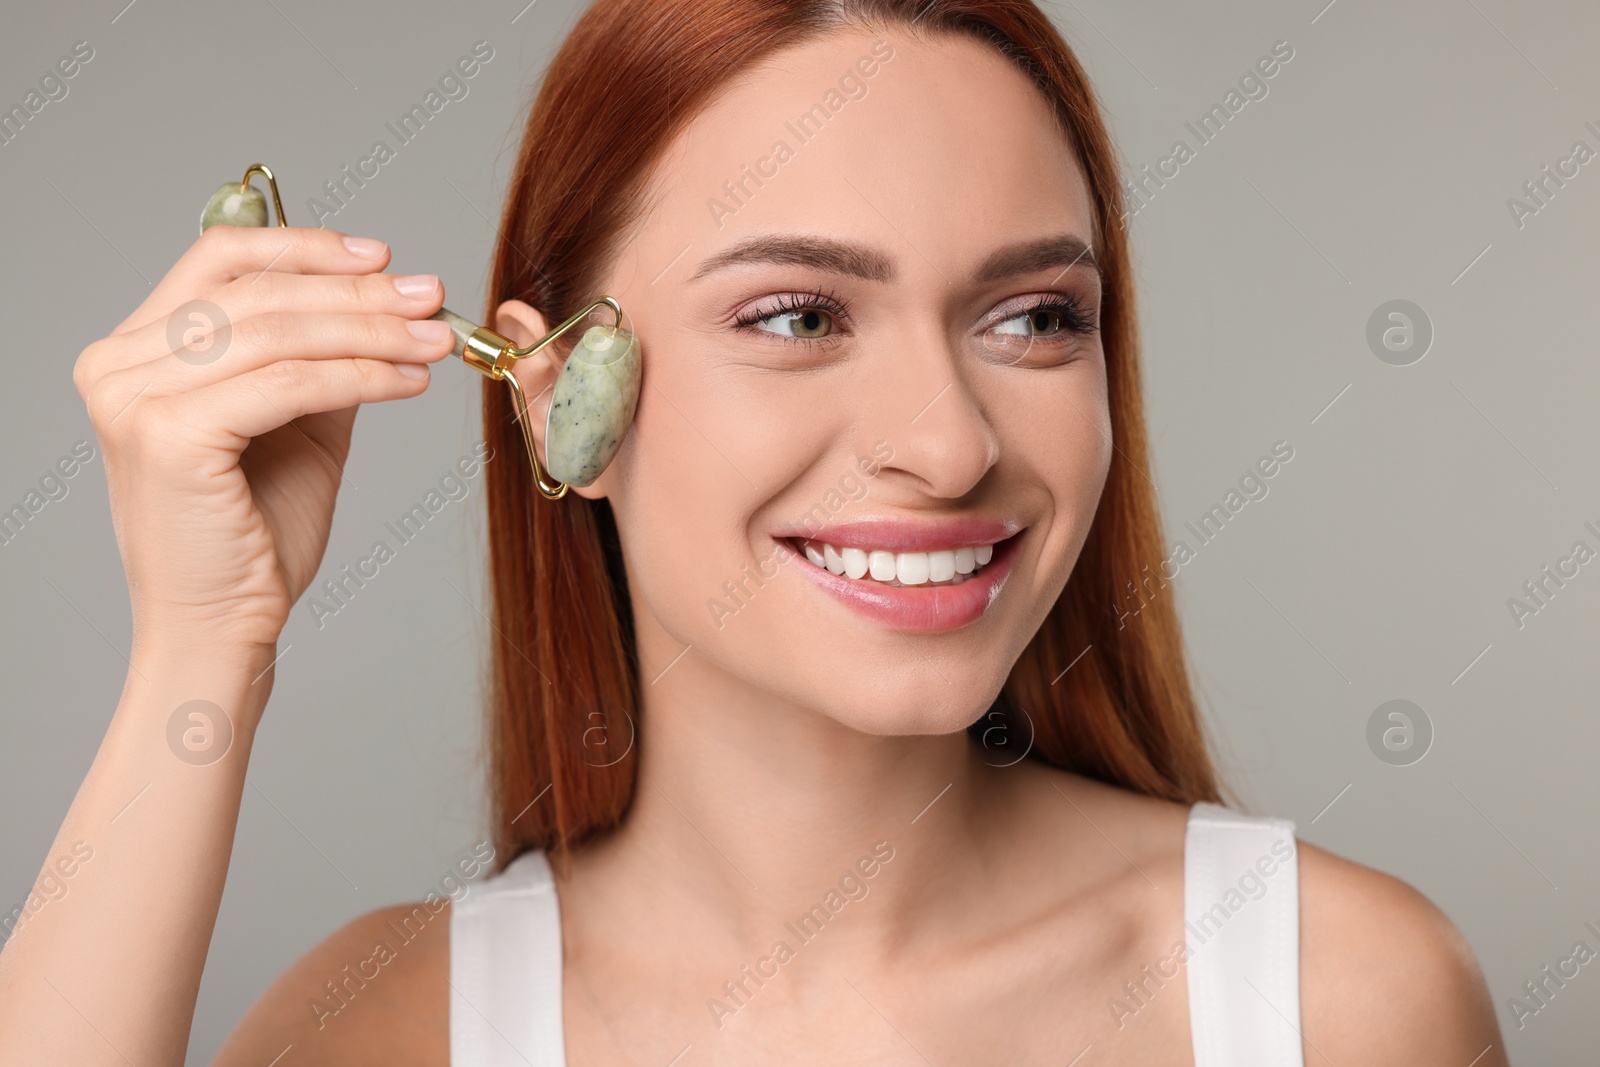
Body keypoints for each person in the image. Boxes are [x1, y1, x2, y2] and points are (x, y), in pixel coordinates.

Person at [0, 0, 1505, 1063]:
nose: (950, 440)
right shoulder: (377, 1037)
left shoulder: (1343, 1003)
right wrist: (202, 650)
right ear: (548, 397)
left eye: (1036, 317)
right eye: (796, 314)